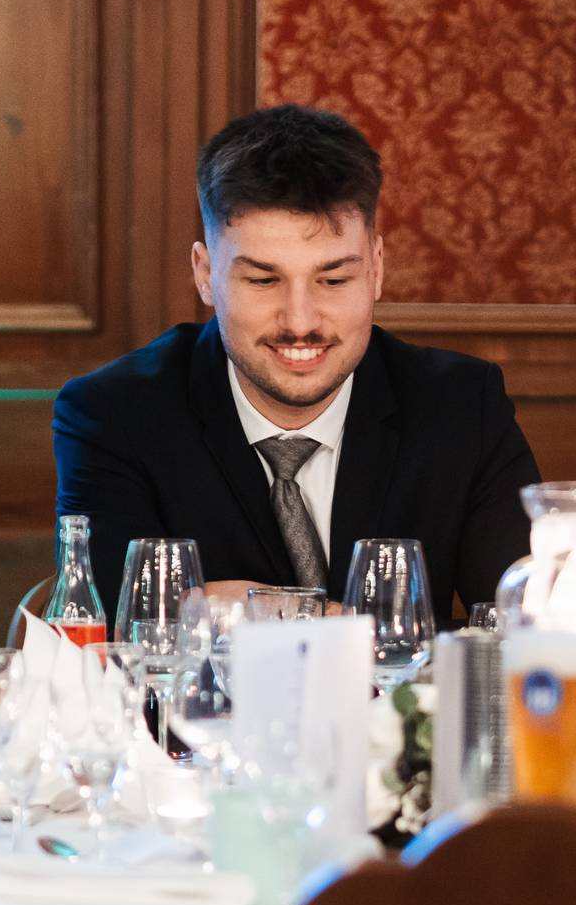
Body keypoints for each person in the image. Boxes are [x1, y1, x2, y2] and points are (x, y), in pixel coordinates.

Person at [53, 103, 539, 618]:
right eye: (263, 280)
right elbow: (120, 621)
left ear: (376, 269)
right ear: (205, 274)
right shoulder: (112, 414)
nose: (300, 320)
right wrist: (351, 626)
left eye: (334, 279)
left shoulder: (463, 406)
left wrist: (235, 607)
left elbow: (525, 617)